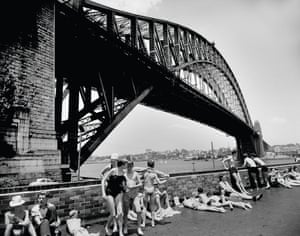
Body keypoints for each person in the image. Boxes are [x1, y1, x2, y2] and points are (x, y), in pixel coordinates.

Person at [101, 158, 127, 236]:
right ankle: (107, 227)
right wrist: (103, 193)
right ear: (122, 165)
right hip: (110, 192)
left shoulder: (123, 172)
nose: (127, 165)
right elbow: (103, 180)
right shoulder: (113, 171)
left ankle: (120, 231)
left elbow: (124, 183)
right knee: (113, 214)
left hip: (119, 192)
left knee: (120, 213)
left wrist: (125, 188)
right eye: (125, 164)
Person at [123, 156, 145, 236]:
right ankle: (125, 227)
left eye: (130, 166)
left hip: (135, 195)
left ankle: (139, 228)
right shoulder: (124, 174)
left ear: (132, 166)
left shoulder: (135, 174)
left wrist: (134, 187)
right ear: (126, 166)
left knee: (138, 211)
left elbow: (141, 183)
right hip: (127, 195)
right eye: (128, 166)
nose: (129, 167)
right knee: (125, 212)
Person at [143, 159, 167, 227]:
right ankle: (152, 222)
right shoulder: (154, 174)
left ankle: (144, 223)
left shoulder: (145, 173)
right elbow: (159, 183)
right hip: (152, 190)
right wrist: (166, 180)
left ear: (147, 165)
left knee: (144, 207)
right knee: (152, 208)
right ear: (153, 165)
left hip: (145, 190)